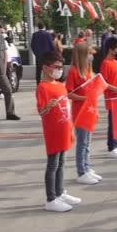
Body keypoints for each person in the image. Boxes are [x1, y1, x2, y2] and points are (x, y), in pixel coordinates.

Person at [36, 51, 81, 212]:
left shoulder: (61, 86)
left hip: (64, 129)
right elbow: (41, 111)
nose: (59, 70)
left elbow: (67, 110)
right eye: (56, 67)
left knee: (62, 163)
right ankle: (51, 198)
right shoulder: (43, 87)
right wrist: (47, 107)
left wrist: (71, 129)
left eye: (61, 67)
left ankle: (60, 192)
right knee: (53, 164)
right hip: (53, 132)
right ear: (46, 68)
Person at [66, 43, 103, 184]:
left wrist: (95, 109)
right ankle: (81, 172)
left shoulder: (88, 70)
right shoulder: (74, 71)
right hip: (80, 112)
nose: (92, 55)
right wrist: (84, 99)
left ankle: (87, 167)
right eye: (89, 53)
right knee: (82, 142)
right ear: (82, 54)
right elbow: (69, 93)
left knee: (87, 142)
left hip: (90, 111)